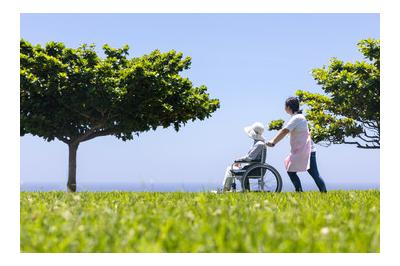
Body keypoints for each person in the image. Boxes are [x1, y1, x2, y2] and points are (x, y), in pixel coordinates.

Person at [266, 97, 327, 192]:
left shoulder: (297, 118)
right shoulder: (297, 117)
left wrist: (273, 141)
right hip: (303, 150)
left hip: (306, 151)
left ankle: (303, 192)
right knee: (296, 171)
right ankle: (302, 192)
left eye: (285, 106)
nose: (284, 108)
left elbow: (285, 131)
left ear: (289, 107)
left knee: (312, 174)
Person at [220, 122, 266, 192]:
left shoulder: (259, 144)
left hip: (254, 169)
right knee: (237, 169)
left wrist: (238, 160)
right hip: (255, 168)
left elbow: (249, 158)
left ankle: (225, 189)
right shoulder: (260, 143)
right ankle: (245, 189)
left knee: (230, 169)